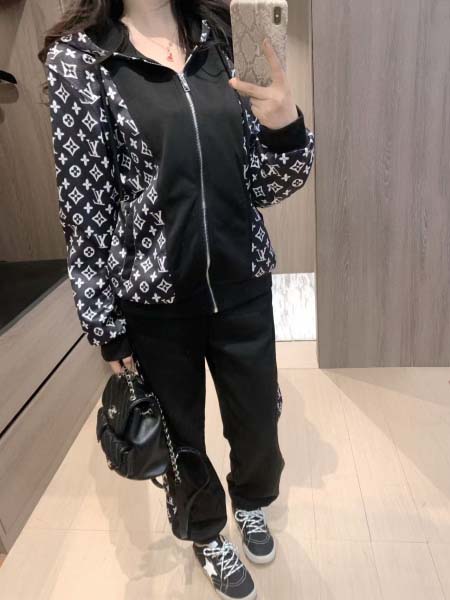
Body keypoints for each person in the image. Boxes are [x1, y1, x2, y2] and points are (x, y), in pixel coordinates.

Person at [39, 1, 315, 598]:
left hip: (241, 282)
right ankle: (206, 532)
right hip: (156, 300)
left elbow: (266, 184)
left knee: (258, 422)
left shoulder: (221, 37)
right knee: (181, 437)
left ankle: (250, 502)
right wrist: (104, 321)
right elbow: (84, 208)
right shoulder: (82, 59)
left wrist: (285, 125)